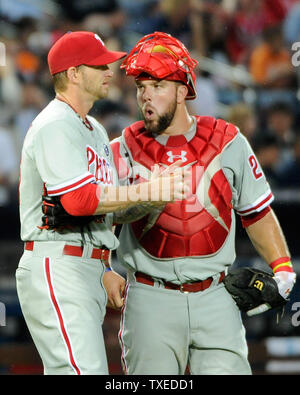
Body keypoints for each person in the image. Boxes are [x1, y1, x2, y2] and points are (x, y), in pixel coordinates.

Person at [109, 32, 296, 375]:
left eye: (157, 86)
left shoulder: (228, 140)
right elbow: (100, 220)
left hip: (217, 294)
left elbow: (256, 212)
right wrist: (104, 270)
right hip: (150, 297)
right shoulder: (122, 148)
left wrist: (282, 268)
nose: (145, 96)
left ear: (183, 90)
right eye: (141, 87)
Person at [16, 31, 188, 375]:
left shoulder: (93, 129)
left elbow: (106, 208)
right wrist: (149, 191)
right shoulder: (54, 124)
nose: (110, 69)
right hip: (57, 263)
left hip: (87, 266)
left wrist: (106, 265)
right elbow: (79, 201)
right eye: (98, 64)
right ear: (73, 74)